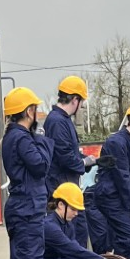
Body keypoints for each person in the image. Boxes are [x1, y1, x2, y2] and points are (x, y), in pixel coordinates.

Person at [0, 85, 51, 259]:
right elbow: (40, 166)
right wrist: (41, 138)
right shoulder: (22, 138)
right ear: (29, 111)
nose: (38, 114)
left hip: (25, 208)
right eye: (36, 109)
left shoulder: (13, 136)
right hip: (26, 210)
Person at [93, 100, 130, 259]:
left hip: (121, 197)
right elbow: (123, 176)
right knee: (128, 236)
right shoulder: (116, 142)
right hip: (109, 196)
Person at [44, 76, 93, 248]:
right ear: (75, 99)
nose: (81, 107)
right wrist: (84, 163)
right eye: (81, 102)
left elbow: (68, 152)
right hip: (61, 188)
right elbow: (64, 156)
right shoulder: (58, 121)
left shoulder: (62, 120)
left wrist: (88, 161)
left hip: (66, 187)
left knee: (78, 232)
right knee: (73, 236)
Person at [41, 182, 116, 259]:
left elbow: (76, 248)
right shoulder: (49, 226)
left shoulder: (68, 224)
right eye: (73, 209)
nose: (76, 213)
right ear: (61, 205)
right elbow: (71, 249)